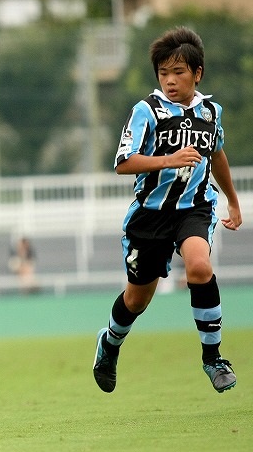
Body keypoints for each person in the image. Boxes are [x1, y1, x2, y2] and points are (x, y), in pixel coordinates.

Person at [93, 27, 242, 394]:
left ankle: (213, 359)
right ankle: (109, 344)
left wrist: (233, 200)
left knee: (199, 265)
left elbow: (217, 154)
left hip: (195, 208)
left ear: (198, 73)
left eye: (178, 72)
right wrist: (169, 159)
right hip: (151, 216)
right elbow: (123, 163)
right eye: (163, 73)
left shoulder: (211, 111)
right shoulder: (147, 111)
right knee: (136, 299)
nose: (171, 80)